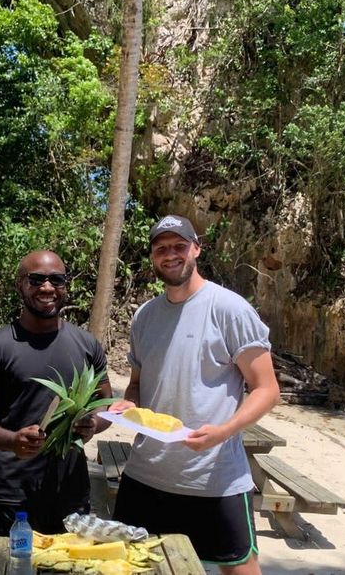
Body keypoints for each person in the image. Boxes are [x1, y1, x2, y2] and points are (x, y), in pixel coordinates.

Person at [109, 214, 281, 575]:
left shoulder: (230, 309)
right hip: (145, 476)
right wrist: (130, 405)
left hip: (212, 479)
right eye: (161, 249)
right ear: (153, 258)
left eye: (179, 246)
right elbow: (139, 384)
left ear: (196, 250)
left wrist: (223, 431)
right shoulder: (144, 316)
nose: (170, 255)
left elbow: (267, 389)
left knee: (239, 568)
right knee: (132, 566)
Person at [0, 250, 112, 536]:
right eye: (36, 279)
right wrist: (11, 440)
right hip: (12, 495)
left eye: (56, 279)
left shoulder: (86, 345)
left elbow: (105, 404)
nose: (47, 287)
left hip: (71, 492)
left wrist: (93, 423)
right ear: (20, 284)